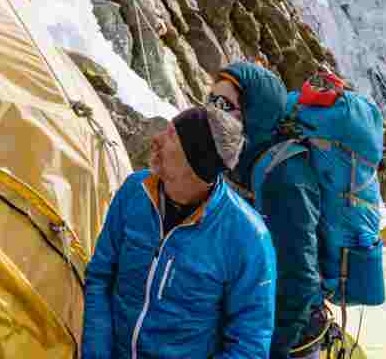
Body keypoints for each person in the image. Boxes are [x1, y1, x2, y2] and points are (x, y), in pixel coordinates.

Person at [82, 105, 276, 359]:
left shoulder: (248, 238)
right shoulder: (135, 190)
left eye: (171, 135)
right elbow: (100, 277)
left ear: (194, 160)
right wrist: (96, 353)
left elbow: (249, 345)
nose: (156, 139)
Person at [220, 62, 381, 359]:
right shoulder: (249, 157)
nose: (214, 111)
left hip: (291, 335)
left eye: (225, 105)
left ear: (253, 112)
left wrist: (275, 348)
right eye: (213, 100)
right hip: (264, 321)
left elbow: (298, 278)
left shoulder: (284, 176)